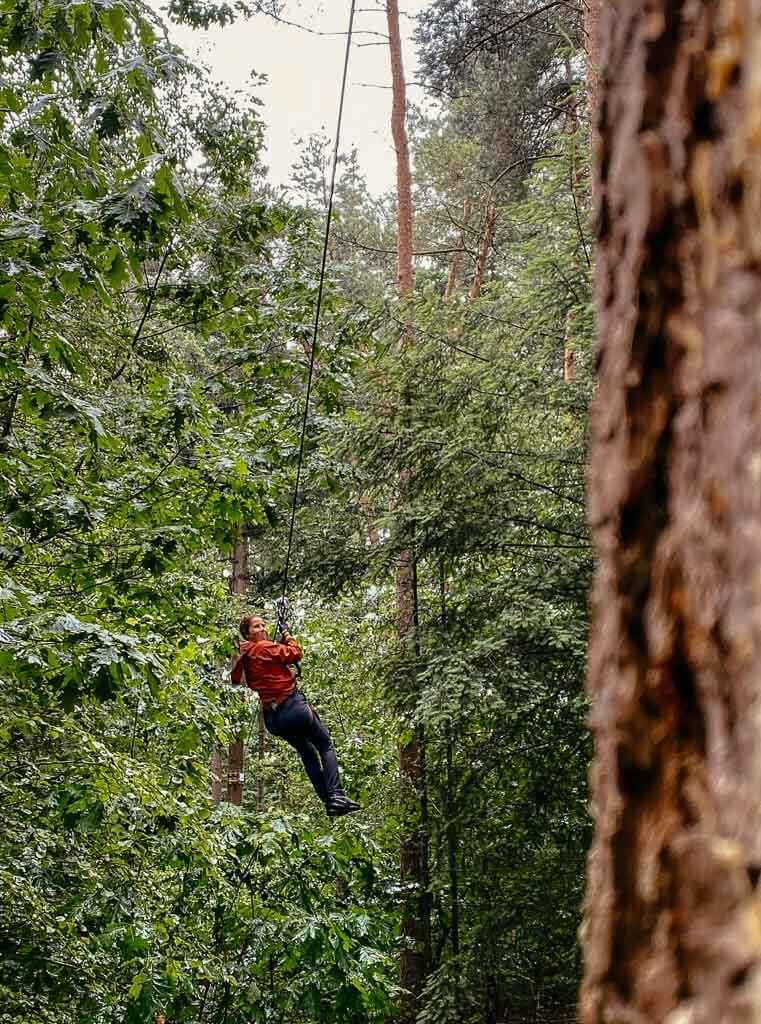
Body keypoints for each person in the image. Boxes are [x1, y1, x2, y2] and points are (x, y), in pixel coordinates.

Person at [231, 615, 360, 819]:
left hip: (274, 720)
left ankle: (329, 802)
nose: (263, 629)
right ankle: (336, 794)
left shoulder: (245, 656)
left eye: (264, 625)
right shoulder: (265, 647)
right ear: (248, 633)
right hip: (293, 710)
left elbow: (236, 679)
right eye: (257, 627)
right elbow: (295, 653)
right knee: (325, 744)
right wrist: (287, 634)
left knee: (308, 754)